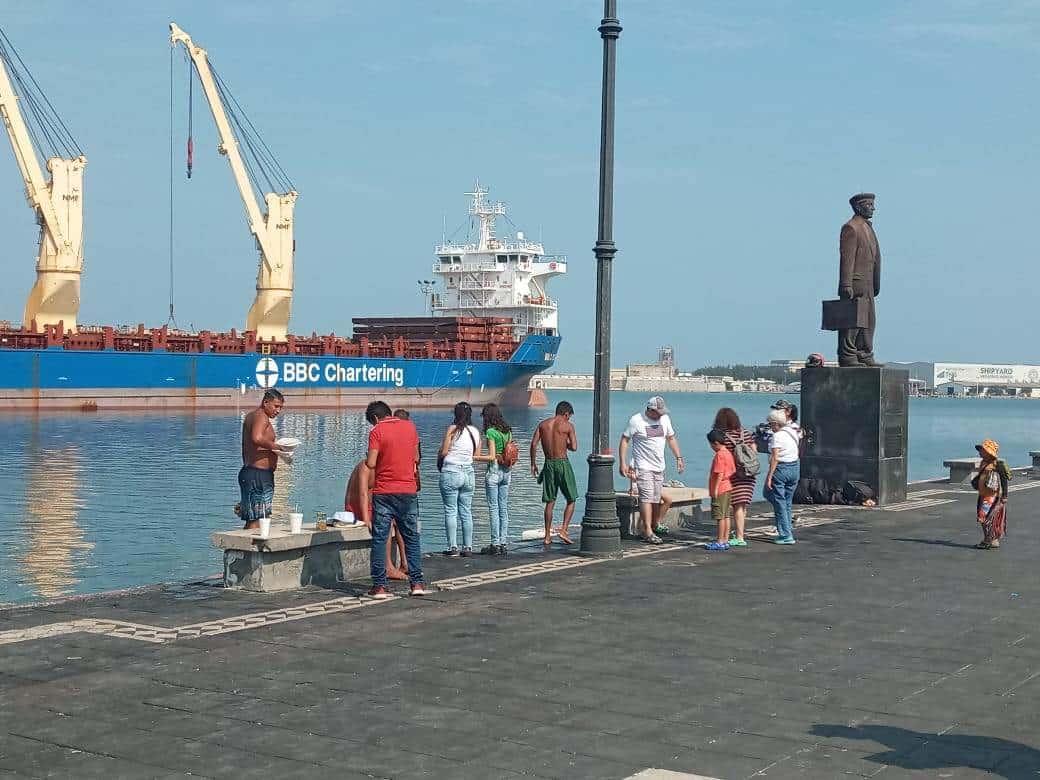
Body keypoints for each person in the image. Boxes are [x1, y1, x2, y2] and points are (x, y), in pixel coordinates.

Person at [363, 400, 426, 598]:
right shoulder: (410, 427)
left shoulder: (377, 431)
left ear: (375, 418)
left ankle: (379, 586)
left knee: (380, 539)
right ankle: (417, 584)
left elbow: (371, 462)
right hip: (407, 490)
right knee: (412, 538)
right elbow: (416, 458)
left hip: (383, 492)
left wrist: (371, 458)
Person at [619, 396, 685, 544]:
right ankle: (647, 530)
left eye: (662, 411)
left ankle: (650, 526)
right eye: (658, 412)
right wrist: (623, 463)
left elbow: (671, 438)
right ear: (650, 409)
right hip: (643, 466)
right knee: (647, 498)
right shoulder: (637, 420)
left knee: (655, 499)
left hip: (659, 466)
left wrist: (678, 457)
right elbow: (624, 440)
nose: (661, 414)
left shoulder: (665, 419)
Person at [837, 192, 883, 367]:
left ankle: (864, 353)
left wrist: (876, 282)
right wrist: (845, 283)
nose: (873, 208)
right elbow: (846, 258)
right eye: (869, 205)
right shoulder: (851, 228)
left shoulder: (868, 228)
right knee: (852, 321)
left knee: (869, 320)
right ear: (858, 207)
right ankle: (848, 355)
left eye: (872, 205)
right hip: (855, 283)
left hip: (869, 284)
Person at [344, 461, 407, 580]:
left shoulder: (382, 468)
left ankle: (405, 564)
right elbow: (363, 494)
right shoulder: (364, 467)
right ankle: (388, 567)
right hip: (356, 509)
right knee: (385, 523)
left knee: (400, 520)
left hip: (372, 507)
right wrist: (367, 520)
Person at [437, 401, 485, 557]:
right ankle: (468, 547)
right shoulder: (475, 432)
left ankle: (452, 547)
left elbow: (444, 452)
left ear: (455, 414)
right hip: (468, 473)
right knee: (466, 511)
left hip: (451, 471)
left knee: (451, 511)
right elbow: (476, 456)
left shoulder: (452, 429)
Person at [530, 401, 578, 545]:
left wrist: (533, 463)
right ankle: (563, 530)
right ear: (566, 414)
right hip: (562, 463)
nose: (569, 419)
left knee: (550, 502)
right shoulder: (568, 426)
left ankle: (547, 536)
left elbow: (533, 444)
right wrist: (565, 443)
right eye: (569, 416)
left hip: (548, 464)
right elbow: (574, 447)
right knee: (571, 498)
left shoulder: (543, 425)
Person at [238, 389, 287, 531]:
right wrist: (277, 447)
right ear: (265, 403)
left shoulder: (252, 416)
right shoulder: (261, 416)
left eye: (280, 408)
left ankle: (244, 551)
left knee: (254, 518)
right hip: (258, 474)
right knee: (258, 520)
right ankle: (251, 551)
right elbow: (257, 438)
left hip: (251, 473)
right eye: (276, 406)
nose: (278, 411)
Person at [714, 407, 757, 546]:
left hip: (734, 475)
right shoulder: (746, 433)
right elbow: (754, 450)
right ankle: (739, 533)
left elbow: (722, 455)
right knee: (742, 506)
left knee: (736, 506)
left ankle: (739, 537)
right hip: (749, 473)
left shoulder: (723, 437)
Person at [480, 403, 513, 556]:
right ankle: (503, 542)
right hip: (507, 471)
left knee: (493, 508)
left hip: (494, 471)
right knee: (503, 508)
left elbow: (492, 455)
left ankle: (495, 543)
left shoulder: (490, 432)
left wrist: (473, 456)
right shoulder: (508, 431)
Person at [765, 408, 800, 545]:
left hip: (781, 469)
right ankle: (787, 527)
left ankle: (786, 534)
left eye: (771, 424)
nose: (770, 427)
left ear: (775, 423)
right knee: (787, 501)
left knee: (777, 500)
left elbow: (775, 457)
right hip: (794, 467)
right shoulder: (793, 431)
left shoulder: (777, 436)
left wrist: (769, 476)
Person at [971, 439, 1010, 550]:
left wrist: (1005, 496)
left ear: (988, 452)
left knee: (985, 518)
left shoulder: (998, 465)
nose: (980, 452)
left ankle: (988, 540)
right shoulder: (984, 463)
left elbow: (1004, 480)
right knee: (983, 518)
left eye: (982, 450)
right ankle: (992, 539)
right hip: (983, 494)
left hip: (992, 497)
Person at [705, 429, 736, 551]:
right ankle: (725, 539)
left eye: (711, 444)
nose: (711, 447)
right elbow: (732, 470)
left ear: (716, 443)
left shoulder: (719, 455)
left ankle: (719, 541)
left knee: (720, 516)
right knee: (726, 515)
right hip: (728, 486)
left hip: (721, 488)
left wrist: (715, 489)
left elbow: (719, 472)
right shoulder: (728, 453)